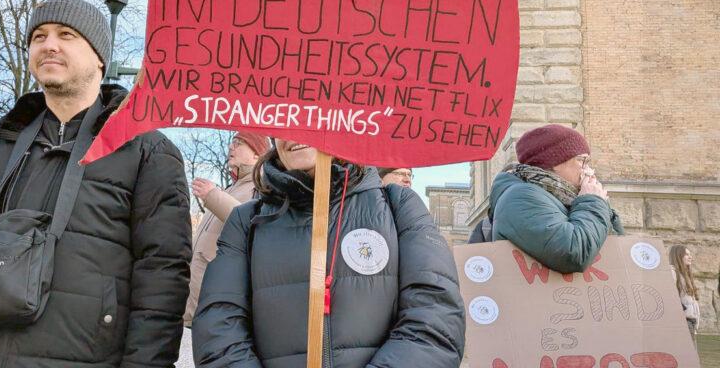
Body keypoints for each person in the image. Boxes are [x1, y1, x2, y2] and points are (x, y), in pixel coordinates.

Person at [0, 0, 192, 367]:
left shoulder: (147, 152)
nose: (49, 45)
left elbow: (162, 276)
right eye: (39, 36)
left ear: (99, 56)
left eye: (66, 34)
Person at [192, 139, 465, 368]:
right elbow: (219, 331)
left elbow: (435, 318)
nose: (296, 132)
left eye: (310, 113)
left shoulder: (398, 207)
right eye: (286, 120)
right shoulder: (246, 221)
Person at [489, 124, 624, 273]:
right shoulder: (520, 198)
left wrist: (602, 206)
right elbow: (572, 254)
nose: (588, 170)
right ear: (555, 162)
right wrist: (593, 201)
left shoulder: (566, 197)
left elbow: (616, 248)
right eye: (581, 160)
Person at [183, 132, 269, 327]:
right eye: (232, 143)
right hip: (201, 299)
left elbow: (250, 224)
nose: (232, 147)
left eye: (239, 143)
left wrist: (213, 196)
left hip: (220, 301)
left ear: (257, 153)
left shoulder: (262, 185)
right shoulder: (232, 187)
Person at [669, 245, 700, 345]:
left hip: (691, 323)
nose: (690, 257)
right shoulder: (672, 272)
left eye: (690, 254)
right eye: (686, 254)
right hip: (683, 323)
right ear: (678, 256)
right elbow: (670, 296)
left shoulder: (685, 275)